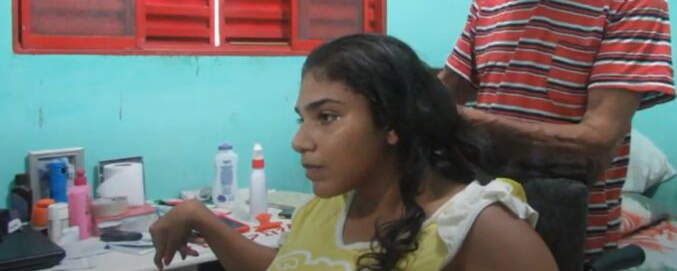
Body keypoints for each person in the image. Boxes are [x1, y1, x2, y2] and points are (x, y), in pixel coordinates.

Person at [439, 0, 676, 263]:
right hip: (480, 225)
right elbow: (444, 93)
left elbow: (595, 142)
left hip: (566, 234)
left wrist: (462, 120)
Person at [150, 33, 558, 271]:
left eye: (327, 117)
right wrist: (201, 218)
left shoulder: (476, 227)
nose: (300, 141)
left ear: (392, 124)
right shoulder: (325, 210)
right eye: (302, 119)